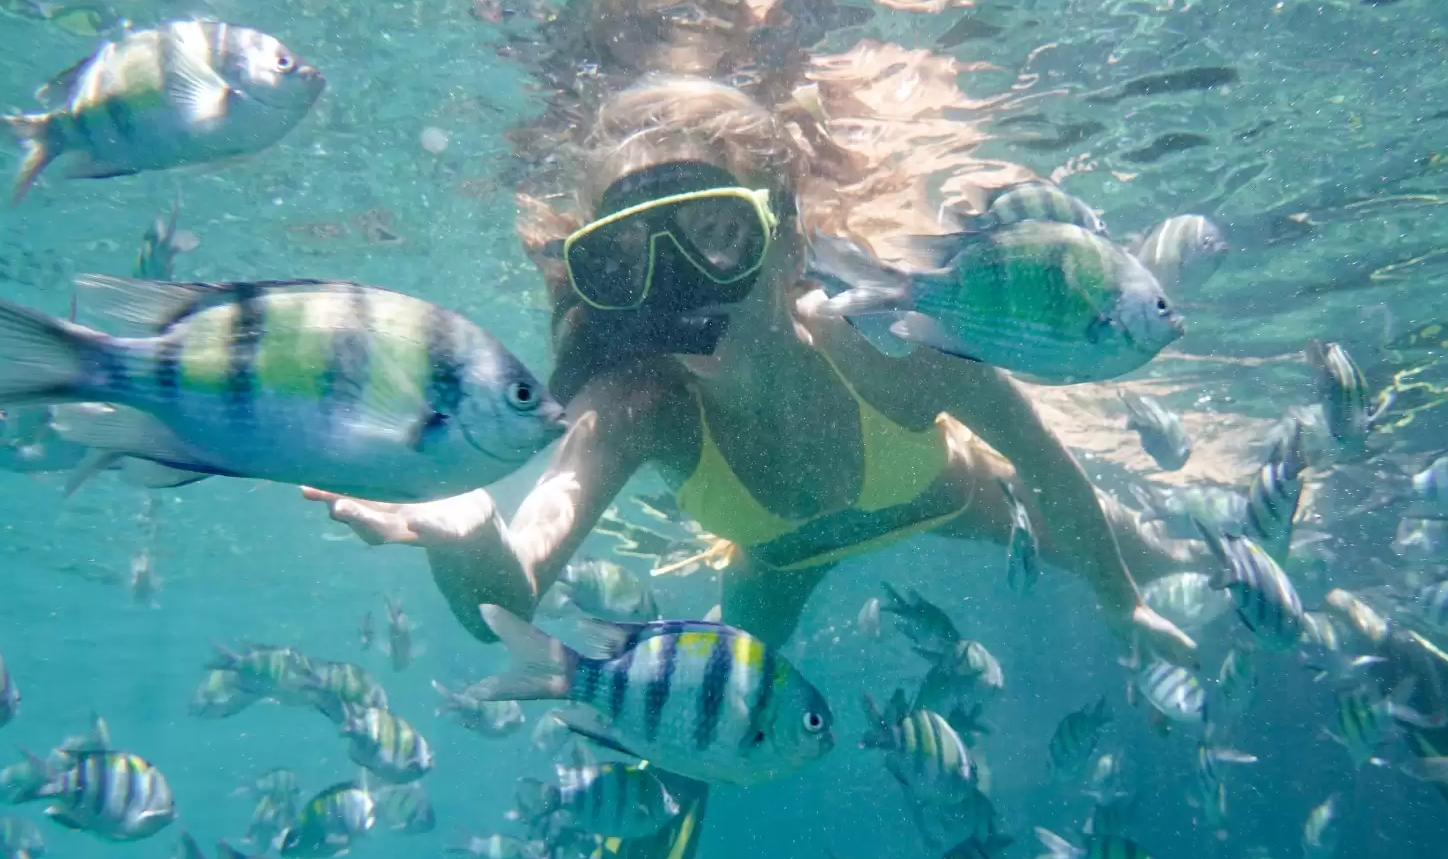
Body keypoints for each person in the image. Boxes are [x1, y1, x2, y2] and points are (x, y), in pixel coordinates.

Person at [304, 75, 1193, 662]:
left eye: (716, 236)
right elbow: (510, 596)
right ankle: (686, 790)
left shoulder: (887, 346)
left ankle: (1222, 568)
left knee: (1155, 559)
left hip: (961, 500)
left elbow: (1043, 464)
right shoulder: (638, 408)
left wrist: (1120, 601)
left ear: (789, 240)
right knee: (729, 712)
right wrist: (470, 540)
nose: (676, 286)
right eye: (627, 260)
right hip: (772, 565)